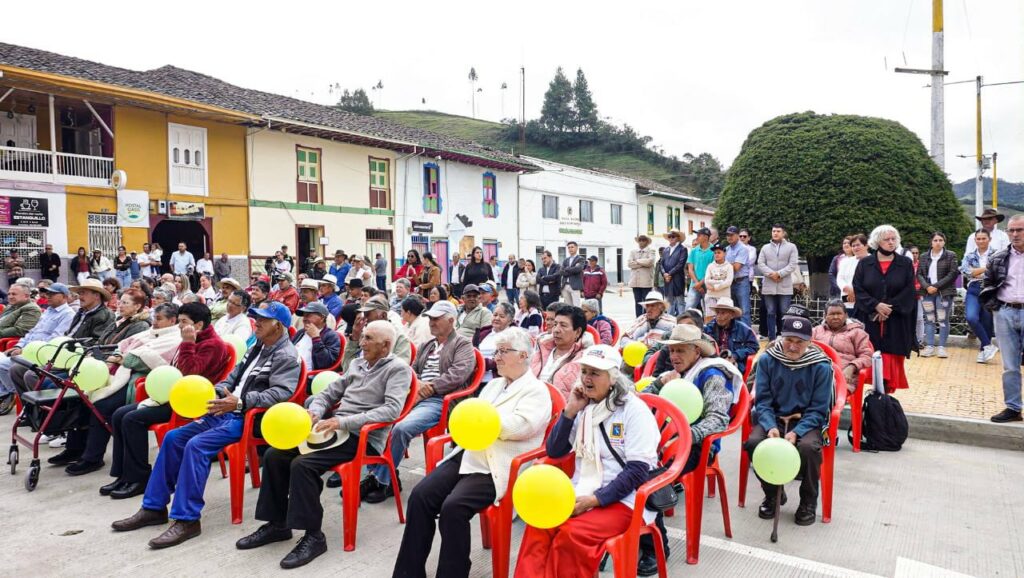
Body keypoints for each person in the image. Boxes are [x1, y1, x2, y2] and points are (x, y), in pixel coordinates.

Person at [111, 301, 300, 548]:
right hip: (226, 409)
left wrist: (240, 402)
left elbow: (282, 393)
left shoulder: (285, 355)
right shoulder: (258, 347)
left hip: (247, 416)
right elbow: (233, 377)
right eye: (256, 318)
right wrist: (219, 389)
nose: (257, 323)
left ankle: (187, 519)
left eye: (263, 320)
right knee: (173, 437)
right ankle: (154, 507)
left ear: (278, 326)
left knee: (196, 446)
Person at [235, 320, 411, 569]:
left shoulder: (397, 369)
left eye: (369, 339)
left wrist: (343, 422)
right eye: (363, 337)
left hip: (362, 437)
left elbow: (392, 410)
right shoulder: (358, 363)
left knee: (302, 465)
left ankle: (314, 535)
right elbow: (328, 393)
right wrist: (316, 411)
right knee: (275, 455)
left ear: (386, 346)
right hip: (335, 429)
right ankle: (278, 524)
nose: (362, 342)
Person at [393, 327, 551, 578]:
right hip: (469, 454)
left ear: (522, 355)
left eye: (503, 351)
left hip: (499, 464)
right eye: (496, 351)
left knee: (453, 508)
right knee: (421, 496)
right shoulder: (495, 385)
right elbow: (472, 416)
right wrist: (476, 423)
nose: (496, 357)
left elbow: (521, 426)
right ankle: (408, 573)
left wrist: (483, 422)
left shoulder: (537, 390)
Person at [515, 345, 659, 578]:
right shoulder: (585, 406)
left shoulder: (633, 411)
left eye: (595, 373)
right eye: (584, 371)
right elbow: (555, 449)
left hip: (624, 498)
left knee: (571, 534)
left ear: (612, 378)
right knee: (539, 523)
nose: (586, 379)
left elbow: (637, 472)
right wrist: (570, 410)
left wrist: (594, 500)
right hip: (581, 488)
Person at [637, 324, 741, 574]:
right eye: (671, 351)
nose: (674, 356)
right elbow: (640, 403)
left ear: (696, 351)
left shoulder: (713, 373)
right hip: (663, 441)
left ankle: (655, 546)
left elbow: (718, 419)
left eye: (680, 351)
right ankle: (632, 532)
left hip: (697, 447)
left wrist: (683, 437)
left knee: (648, 477)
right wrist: (660, 381)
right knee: (625, 466)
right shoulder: (674, 374)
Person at [103, 302, 227, 499]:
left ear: (199, 325)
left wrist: (188, 343)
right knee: (119, 414)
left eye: (184, 322)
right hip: (173, 394)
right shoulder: (190, 338)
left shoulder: (212, 345)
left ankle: (140, 477)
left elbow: (189, 372)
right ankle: (123, 474)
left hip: (191, 401)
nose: (179, 326)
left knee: (132, 419)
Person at [362, 300, 476, 503]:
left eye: (436, 318)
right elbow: (411, 371)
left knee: (401, 428)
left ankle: (382, 480)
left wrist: (429, 387)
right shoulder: (427, 345)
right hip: (415, 396)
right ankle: (380, 474)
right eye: (430, 318)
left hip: (440, 400)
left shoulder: (463, 344)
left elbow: (458, 375)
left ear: (451, 320)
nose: (431, 322)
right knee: (372, 422)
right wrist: (416, 385)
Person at [55, 291, 159, 474]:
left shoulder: (141, 325)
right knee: (78, 396)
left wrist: (105, 356)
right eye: (120, 301)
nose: (120, 305)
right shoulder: (117, 321)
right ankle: (75, 448)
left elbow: (128, 353)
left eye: (126, 302)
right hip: (104, 365)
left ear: (138, 306)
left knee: (101, 405)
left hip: (125, 373)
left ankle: (92, 457)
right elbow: (104, 342)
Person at [744, 314, 833, 526]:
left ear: (809, 342)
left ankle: (808, 501)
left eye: (799, 342)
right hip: (772, 418)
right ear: (781, 338)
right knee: (754, 444)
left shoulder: (821, 366)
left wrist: (797, 431)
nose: (793, 346)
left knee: (809, 448)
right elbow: (762, 401)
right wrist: (770, 426)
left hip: (806, 421)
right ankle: (773, 493)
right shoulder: (767, 360)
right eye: (789, 340)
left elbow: (819, 409)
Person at [853, 225, 916, 393]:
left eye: (893, 239)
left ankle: (885, 396)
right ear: (876, 242)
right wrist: (875, 305)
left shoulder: (905, 263)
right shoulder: (865, 264)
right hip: (870, 318)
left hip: (895, 319)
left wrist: (889, 308)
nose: (891, 242)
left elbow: (909, 290)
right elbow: (858, 288)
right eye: (886, 239)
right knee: (868, 351)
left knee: (891, 353)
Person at [0, 283, 76, 414]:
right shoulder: (48, 312)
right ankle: (28, 409)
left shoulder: (67, 314)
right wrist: (18, 345)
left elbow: (53, 340)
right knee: (11, 367)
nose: (48, 296)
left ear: (63, 296)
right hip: (27, 349)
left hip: (40, 354)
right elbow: (30, 333)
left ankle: (11, 395)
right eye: (47, 293)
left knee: (11, 367)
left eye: (52, 294)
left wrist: (25, 350)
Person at [981, 214, 1024, 422]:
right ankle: (1013, 408)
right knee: (1010, 365)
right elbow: (987, 285)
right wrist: (994, 308)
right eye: (1011, 230)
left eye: (1019, 230)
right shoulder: (998, 257)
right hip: (1004, 312)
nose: (1015, 234)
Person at [811, 299, 874, 390]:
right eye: (832, 314)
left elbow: (867, 356)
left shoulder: (857, 332)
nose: (836, 317)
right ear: (825, 316)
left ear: (846, 316)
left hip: (844, 377)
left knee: (827, 392)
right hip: (816, 374)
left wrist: (852, 367)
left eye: (839, 313)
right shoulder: (816, 331)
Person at [916, 232, 959, 358]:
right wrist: (927, 286)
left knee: (942, 319)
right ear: (931, 242)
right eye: (935, 240)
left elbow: (953, 274)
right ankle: (929, 346)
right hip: (927, 292)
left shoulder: (951, 255)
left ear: (944, 242)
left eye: (941, 240)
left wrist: (936, 286)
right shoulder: (924, 256)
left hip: (943, 293)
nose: (938, 242)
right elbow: (919, 274)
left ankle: (941, 347)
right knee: (929, 319)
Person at [530, 305, 586, 398]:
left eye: (563, 325)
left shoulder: (583, 359)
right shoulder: (542, 349)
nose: (555, 330)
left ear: (578, 332)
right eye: (555, 324)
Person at [757, 224, 799, 341]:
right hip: (769, 284)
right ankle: (771, 337)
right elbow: (760, 263)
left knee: (784, 311)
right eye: (773, 231)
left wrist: (779, 274)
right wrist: (772, 274)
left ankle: (784, 336)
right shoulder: (765, 248)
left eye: (778, 231)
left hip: (784, 284)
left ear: (783, 233)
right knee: (770, 312)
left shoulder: (791, 247)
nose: (775, 233)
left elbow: (792, 264)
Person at [961, 230, 998, 363]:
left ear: (989, 239)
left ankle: (984, 351)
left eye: (984, 238)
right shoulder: (970, 255)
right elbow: (966, 272)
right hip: (974, 288)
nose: (981, 241)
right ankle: (989, 345)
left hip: (990, 289)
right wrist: (986, 268)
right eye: (978, 239)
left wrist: (977, 271)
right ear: (975, 240)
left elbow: (997, 272)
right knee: (971, 317)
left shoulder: (997, 254)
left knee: (987, 322)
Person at [703, 297, 758, 371]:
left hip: (734, 365)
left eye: (723, 313)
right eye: (718, 312)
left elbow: (754, 346)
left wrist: (736, 355)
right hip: (712, 363)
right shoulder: (709, 328)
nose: (719, 316)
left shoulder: (743, 329)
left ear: (732, 315)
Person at [292, 302, 342, 373]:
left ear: (322, 318)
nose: (304, 319)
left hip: (308, 377)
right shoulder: (301, 333)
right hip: (290, 371)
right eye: (304, 315)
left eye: (308, 315)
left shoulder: (331, 336)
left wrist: (316, 338)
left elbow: (325, 364)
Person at [474, 301, 515, 381]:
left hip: (497, 379)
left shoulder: (512, 336)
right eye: (495, 315)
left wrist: (479, 363)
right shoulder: (483, 333)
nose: (497, 318)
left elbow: (505, 361)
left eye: (502, 316)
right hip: (475, 377)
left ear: (510, 321)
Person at [837, 234, 869, 313]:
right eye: (853, 246)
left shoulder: (874, 261)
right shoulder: (845, 262)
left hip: (867, 303)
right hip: (848, 300)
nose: (855, 248)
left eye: (858, 245)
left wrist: (856, 293)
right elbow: (840, 278)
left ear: (866, 246)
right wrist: (848, 290)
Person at [661, 229, 689, 316]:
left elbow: (681, 264)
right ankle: (670, 324)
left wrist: (669, 273)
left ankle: (682, 323)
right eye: (669, 236)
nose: (671, 238)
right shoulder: (665, 250)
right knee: (669, 303)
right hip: (667, 280)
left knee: (680, 302)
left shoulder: (683, 249)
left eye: (673, 236)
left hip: (677, 279)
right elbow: (661, 263)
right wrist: (664, 274)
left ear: (678, 237)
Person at [685, 227, 714, 311]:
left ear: (706, 237)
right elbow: (690, 269)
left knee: (709, 311)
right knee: (689, 309)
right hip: (694, 284)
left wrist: (700, 284)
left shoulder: (714, 250)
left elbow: (712, 271)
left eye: (699, 235)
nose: (697, 237)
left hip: (708, 285)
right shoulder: (694, 250)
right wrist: (697, 284)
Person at [628, 235, 657, 317]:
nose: (641, 242)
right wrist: (642, 264)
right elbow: (629, 264)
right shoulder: (633, 251)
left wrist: (636, 261)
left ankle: (646, 317)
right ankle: (638, 318)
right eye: (640, 240)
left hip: (646, 281)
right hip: (635, 281)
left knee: (646, 302)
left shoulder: (651, 251)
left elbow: (650, 262)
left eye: (643, 240)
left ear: (647, 241)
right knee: (637, 302)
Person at [704, 243, 734, 313]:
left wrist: (715, 287)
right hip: (711, 296)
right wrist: (721, 281)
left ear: (724, 253)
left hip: (724, 296)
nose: (716, 254)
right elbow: (707, 281)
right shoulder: (710, 266)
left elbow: (728, 282)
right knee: (709, 317)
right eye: (715, 253)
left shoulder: (729, 266)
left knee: (724, 317)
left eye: (719, 252)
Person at [560, 241, 585, 307]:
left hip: (575, 286)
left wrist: (567, 269)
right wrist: (572, 269)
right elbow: (562, 272)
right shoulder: (566, 260)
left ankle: (576, 318)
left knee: (576, 306)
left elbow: (578, 269)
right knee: (568, 307)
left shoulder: (580, 259)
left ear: (576, 248)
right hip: (565, 285)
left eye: (572, 247)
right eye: (569, 248)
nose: (570, 249)